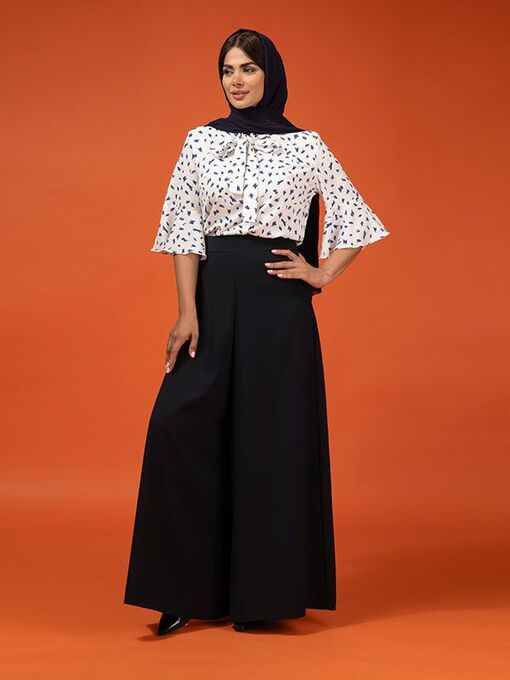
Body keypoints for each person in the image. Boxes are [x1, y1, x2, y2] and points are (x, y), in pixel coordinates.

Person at [123, 27, 390, 636]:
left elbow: (355, 218)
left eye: (248, 68)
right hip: (214, 297)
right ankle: (182, 588)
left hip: (279, 307)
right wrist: (187, 310)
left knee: (270, 440)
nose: (236, 80)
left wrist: (320, 272)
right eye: (227, 70)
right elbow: (184, 228)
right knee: (179, 426)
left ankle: (264, 595)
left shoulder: (307, 146)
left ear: (271, 75)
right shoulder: (200, 141)